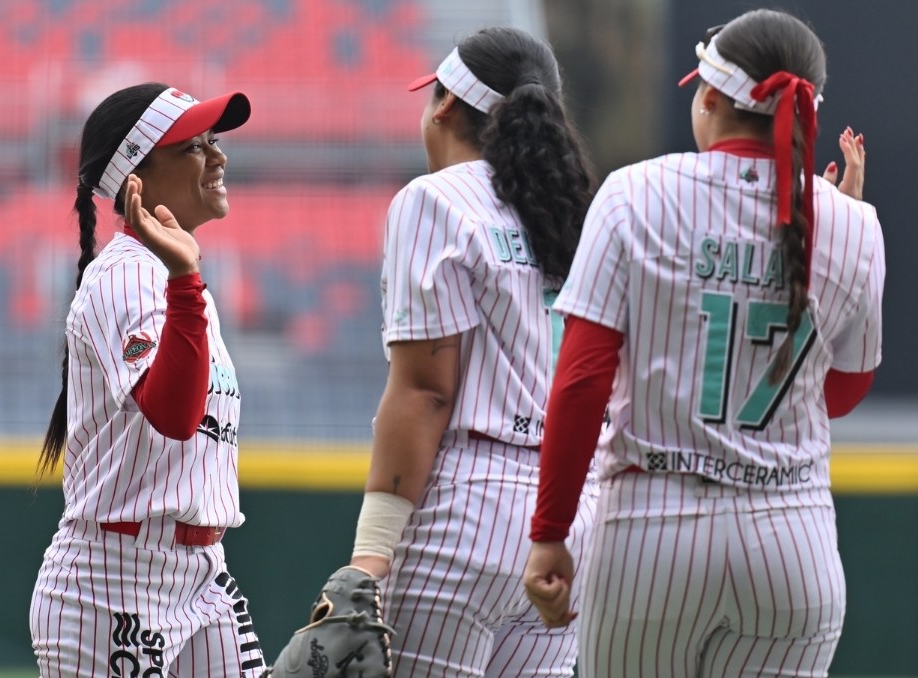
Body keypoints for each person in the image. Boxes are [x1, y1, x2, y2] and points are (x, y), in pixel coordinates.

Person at [522, 9, 880, 677]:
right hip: (791, 540)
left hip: (653, 532)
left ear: (711, 96)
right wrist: (845, 223)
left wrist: (549, 533)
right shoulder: (855, 225)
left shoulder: (634, 194)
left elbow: (581, 378)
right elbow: (841, 395)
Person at [344, 27, 597, 676]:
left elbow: (426, 391)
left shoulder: (435, 199)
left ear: (446, 105)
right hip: (569, 512)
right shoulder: (572, 214)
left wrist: (371, 555)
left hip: (469, 507)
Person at [28, 83, 266, 676]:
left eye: (215, 142)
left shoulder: (176, 276)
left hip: (200, 572)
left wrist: (186, 278)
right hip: (114, 582)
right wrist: (185, 278)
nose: (219, 157)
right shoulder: (131, 275)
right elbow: (175, 416)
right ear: (138, 174)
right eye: (195, 147)